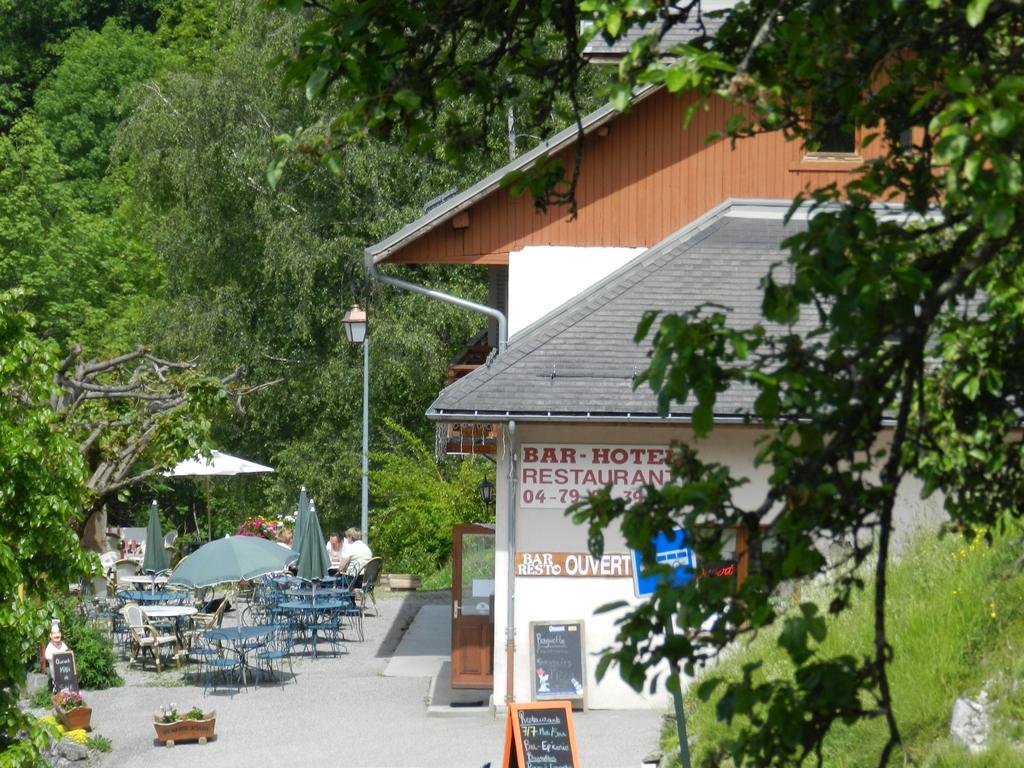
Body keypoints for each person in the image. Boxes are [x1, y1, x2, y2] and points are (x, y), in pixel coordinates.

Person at [44, 621, 70, 691]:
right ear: (51, 636)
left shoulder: (63, 645)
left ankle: (66, 699)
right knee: (57, 689)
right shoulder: (49, 647)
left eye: (58, 633)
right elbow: (47, 656)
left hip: (64, 672)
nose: (57, 635)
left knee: (66, 689)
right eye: (54, 633)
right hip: (55, 674)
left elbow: (67, 653)